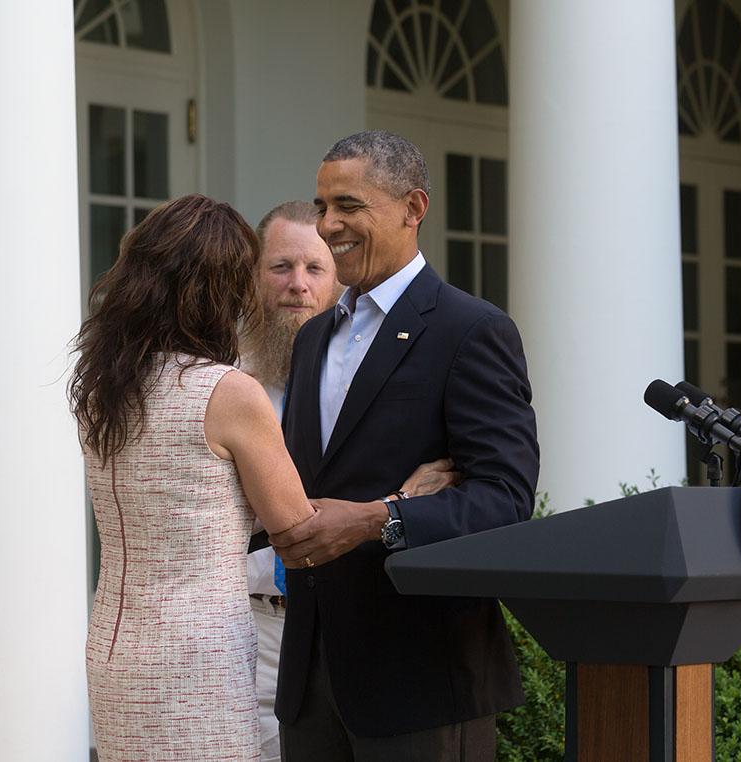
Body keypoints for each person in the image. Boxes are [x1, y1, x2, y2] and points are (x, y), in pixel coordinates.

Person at [269, 131, 540, 760]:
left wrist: (379, 519)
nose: (328, 225)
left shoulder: (472, 330)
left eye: (349, 206)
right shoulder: (311, 341)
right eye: (321, 207)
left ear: (413, 208)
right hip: (310, 683)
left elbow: (505, 500)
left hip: (423, 679)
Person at [70, 194, 319, 762]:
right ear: (221, 290)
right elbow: (298, 530)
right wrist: (405, 499)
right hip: (198, 655)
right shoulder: (228, 390)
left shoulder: (104, 387)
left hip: (114, 640)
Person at [241, 200, 461, 762]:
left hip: (358, 635)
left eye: (314, 269)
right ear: (253, 278)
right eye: (281, 267)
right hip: (248, 631)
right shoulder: (225, 383)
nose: (298, 285)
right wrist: (396, 503)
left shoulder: (381, 370)